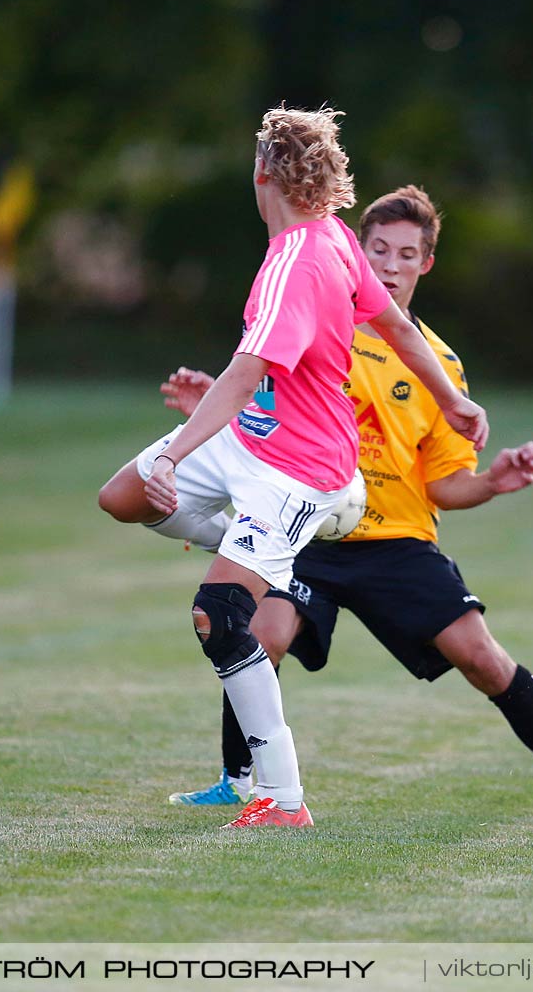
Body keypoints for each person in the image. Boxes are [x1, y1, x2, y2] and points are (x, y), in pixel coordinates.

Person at [160, 186, 533, 822]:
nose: (389, 263)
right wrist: (214, 411)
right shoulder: (319, 323)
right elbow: (261, 406)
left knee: (483, 659)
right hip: (310, 532)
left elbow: (441, 486)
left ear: (426, 263)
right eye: (376, 248)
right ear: (357, 250)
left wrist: (491, 480)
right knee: (256, 631)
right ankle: (237, 779)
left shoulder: (439, 365)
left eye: (406, 253)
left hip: (396, 544)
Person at [96, 111, 489, 830]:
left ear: (262, 176)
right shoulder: (335, 238)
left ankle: (285, 799)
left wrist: (178, 454)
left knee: (218, 616)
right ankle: (242, 540)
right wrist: (454, 398)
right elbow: (399, 328)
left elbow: (246, 376)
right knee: (121, 496)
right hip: (256, 443)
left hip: (306, 469)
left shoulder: (296, 263)